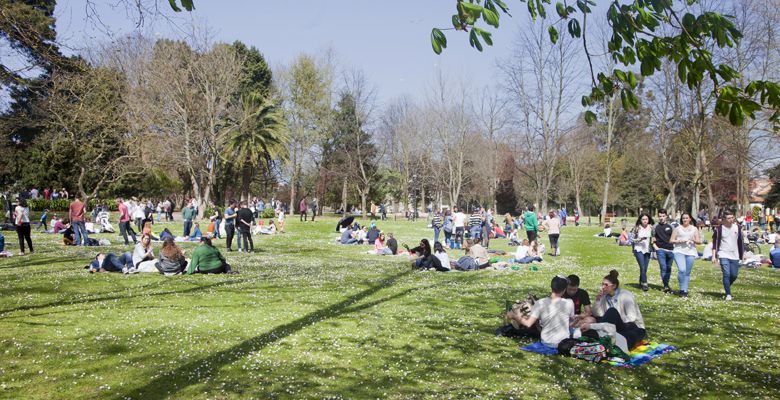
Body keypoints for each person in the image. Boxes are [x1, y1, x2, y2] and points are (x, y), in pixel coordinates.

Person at [582, 270, 646, 349]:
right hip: (612, 327)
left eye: (606, 285)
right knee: (596, 318)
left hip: (629, 325)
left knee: (612, 311)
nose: (603, 287)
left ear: (614, 286)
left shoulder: (625, 295)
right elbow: (597, 314)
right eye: (602, 284)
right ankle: (604, 335)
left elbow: (632, 317)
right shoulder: (604, 296)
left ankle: (599, 333)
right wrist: (598, 300)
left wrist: (616, 320)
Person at [507, 275, 574, 348]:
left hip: (547, 342)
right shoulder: (569, 303)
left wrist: (514, 316)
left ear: (551, 287)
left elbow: (528, 324)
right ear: (564, 289)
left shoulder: (540, 303)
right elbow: (571, 322)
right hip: (564, 343)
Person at [711, 210, 745, 300]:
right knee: (726, 274)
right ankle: (728, 294)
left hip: (735, 254)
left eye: (732, 218)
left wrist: (743, 254)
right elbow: (715, 243)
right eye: (729, 218)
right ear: (724, 219)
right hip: (723, 253)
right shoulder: (719, 229)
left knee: (733, 275)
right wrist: (714, 256)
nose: (731, 220)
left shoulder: (738, 228)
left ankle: (726, 286)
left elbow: (741, 242)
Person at [671, 213, 702, 297]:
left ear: (690, 219)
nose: (685, 219)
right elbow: (671, 240)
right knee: (682, 270)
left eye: (686, 218)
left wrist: (693, 240)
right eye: (683, 218)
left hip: (690, 251)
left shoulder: (694, 229)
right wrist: (679, 241)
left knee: (687, 272)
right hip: (679, 251)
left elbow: (699, 241)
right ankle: (682, 288)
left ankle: (685, 290)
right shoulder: (677, 228)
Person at [652, 209, 675, 293]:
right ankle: (666, 286)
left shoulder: (671, 227)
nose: (661, 218)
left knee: (668, 268)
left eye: (663, 216)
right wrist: (656, 248)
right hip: (660, 250)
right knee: (663, 267)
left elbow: (674, 238)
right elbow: (653, 238)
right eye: (660, 216)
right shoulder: (655, 227)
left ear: (666, 216)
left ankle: (666, 284)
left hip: (670, 250)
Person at [632, 213, 654, 292]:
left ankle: (641, 281)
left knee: (645, 268)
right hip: (638, 249)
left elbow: (654, 238)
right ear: (640, 220)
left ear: (648, 220)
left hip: (647, 250)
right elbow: (632, 239)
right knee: (642, 267)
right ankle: (644, 283)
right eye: (643, 219)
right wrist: (640, 239)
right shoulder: (637, 228)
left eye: (646, 219)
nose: (645, 221)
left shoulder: (651, 228)